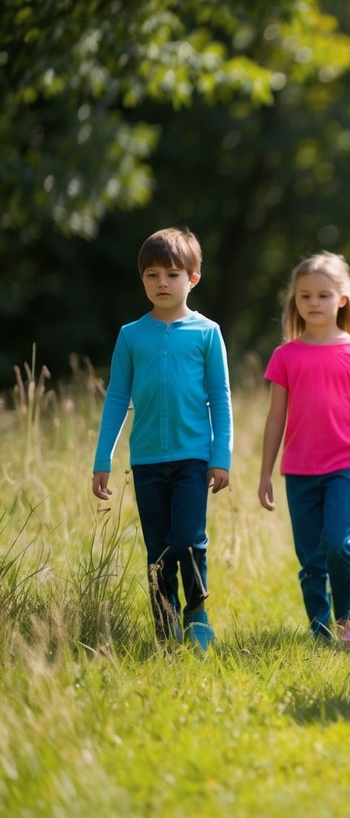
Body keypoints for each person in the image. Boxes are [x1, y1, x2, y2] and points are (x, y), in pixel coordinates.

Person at [92, 227, 232, 650]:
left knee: (188, 539)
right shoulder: (131, 335)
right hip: (148, 459)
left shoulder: (207, 333)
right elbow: (117, 398)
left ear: (193, 279)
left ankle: (196, 610)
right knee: (157, 548)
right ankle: (164, 622)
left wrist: (220, 455)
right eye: (151, 275)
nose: (161, 283)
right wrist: (103, 459)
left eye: (172, 274)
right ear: (143, 281)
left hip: (193, 457)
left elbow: (220, 398)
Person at [258, 252, 350, 649]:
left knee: (337, 545)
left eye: (323, 295)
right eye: (305, 296)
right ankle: (319, 628)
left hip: (345, 465)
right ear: (295, 300)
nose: (314, 303)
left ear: (342, 298)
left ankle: (345, 620)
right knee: (310, 556)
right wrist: (264, 474)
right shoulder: (285, 356)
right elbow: (275, 419)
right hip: (298, 470)